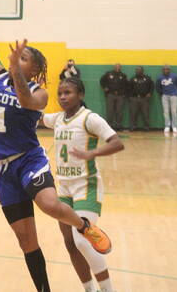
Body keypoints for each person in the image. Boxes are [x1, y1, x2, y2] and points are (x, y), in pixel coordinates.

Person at [0, 0, 111, 292]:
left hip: (29, 159)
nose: (17, 57)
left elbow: (25, 101)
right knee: (26, 241)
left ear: (35, 71)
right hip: (2, 169)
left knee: (50, 204)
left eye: (24, 58)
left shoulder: (38, 92)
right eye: (18, 55)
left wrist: (14, 69)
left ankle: (84, 226)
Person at [42, 77, 124, 292]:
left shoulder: (90, 118)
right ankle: (90, 289)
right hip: (64, 188)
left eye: (68, 92)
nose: (62, 97)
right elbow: (36, 117)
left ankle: (107, 290)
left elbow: (117, 142)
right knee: (70, 243)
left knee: (82, 241)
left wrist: (92, 152)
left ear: (81, 95)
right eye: (60, 93)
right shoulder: (58, 119)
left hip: (86, 186)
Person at [155, 64, 177, 134]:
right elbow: (157, 87)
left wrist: (176, 92)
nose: (165, 70)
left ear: (169, 70)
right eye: (164, 69)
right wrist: (161, 93)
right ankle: (167, 126)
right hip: (164, 96)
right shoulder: (160, 77)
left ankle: (174, 126)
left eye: (167, 69)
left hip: (173, 95)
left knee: (174, 111)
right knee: (166, 112)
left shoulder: (175, 76)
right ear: (162, 70)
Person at [99, 64, 128, 130]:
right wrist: (104, 87)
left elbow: (126, 85)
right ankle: (109, 125)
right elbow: (102, 80)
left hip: (120, 96)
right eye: (116, 66)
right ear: (114, 67)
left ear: (120, 68)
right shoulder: (108, 74)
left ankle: (118, 125)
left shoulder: (123, 75)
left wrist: (124, 93)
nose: (117, 68)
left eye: (119, 67)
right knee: (110, 111)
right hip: (110, 95)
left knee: (119, 111)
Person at [128, 66, 153, 131]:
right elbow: (129, 88)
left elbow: (152, 86)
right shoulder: (133, 79)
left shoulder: (147, 78)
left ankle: (146, 126)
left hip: (144, 98)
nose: (137, 71)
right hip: (134, 98)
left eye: (139, 70)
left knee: (145, 113)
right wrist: (130, 97)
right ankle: (133, 126)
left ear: (142, 71)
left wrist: (150, 93)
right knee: (133, 113)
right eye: (136, 70)